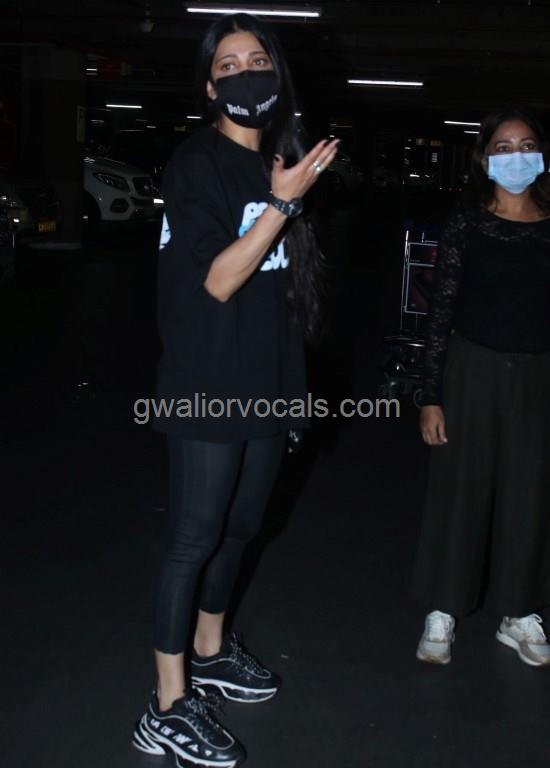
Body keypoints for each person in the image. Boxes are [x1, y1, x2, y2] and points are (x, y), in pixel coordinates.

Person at [132, 12, 339, 768]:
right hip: (206, 383)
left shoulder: (279, 160)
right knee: (195, 538)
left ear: (277, 74)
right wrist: (282, 204)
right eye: (228, 64)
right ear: (209, 87)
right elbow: (218, 281)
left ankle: (211, 650)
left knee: (242, 528)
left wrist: (294, 390)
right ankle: (166, 705)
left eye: (257, 60)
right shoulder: (198, 164)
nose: (245, 72)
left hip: (267, 383)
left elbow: (283, 295)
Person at [412, 108, 550, 667]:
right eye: (503, 147)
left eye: (527, 144)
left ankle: (519, 612)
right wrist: (431, 394)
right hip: (472, 371)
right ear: (485, 159)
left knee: (530, 494)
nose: (517, 156)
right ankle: (443, 609)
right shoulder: (467, 223)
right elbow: (440, 313)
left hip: (539, 376)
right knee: (461, 489)